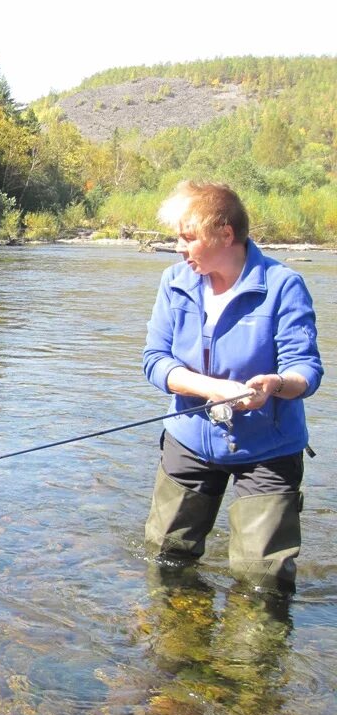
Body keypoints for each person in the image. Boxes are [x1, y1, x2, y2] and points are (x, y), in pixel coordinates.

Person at [143, 181, 323, 593]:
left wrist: (275, 384)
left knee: (263, 582)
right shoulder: (174, 282)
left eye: (188, 238)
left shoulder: (283, 285)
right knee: (167, 560)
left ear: (226, 234)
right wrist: (213, 389)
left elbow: (306, 370)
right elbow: (155, 361)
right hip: (188, 440)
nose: (178, 248)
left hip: (268, 450)